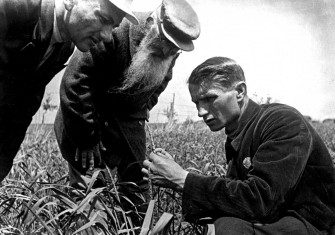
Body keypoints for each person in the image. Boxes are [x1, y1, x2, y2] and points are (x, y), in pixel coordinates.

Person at [142, 57, 335, 234]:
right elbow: (239, 193)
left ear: (240, 92)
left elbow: (261, 201)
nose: (200, 111)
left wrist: (182, 179)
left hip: (313, 224)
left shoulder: (282, 122)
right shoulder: (240, 131)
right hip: (279, 217)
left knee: (229, 228)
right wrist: (175, 178)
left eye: (210, 98)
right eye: (196, 102)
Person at [53, 0, 200, 219]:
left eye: (174, 48)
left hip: (128, 119)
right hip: (84, 118)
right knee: (90, 187)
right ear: (152, 23)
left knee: (137, 184)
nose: (167, 51)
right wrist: (86, 140)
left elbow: (159, 83)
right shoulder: (114, 31)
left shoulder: (168, 52)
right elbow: (75, 84)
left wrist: (141, 109)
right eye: (165, 42)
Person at [0, 0, 139, 182]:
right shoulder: (13, 7)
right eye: (103, 18)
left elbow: (22, 111)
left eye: (113, 26)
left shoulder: (64, 48)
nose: (107, 36)